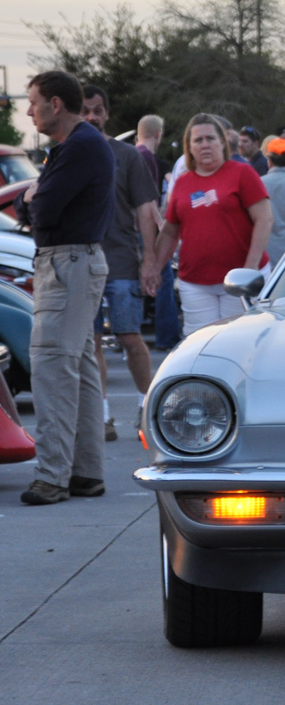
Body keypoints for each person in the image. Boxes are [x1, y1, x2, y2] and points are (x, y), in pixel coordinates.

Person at [12, 71, 113, 505]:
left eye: (33, 102)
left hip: (68, 263)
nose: (28, 110)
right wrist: (31, 197)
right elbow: (27, 203)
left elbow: (44, 209)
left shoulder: (79, 147)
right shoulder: (77, 146)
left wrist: (35, 197)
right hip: (76, 261)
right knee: (80, 367)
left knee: (52, 366)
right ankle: (85, 473)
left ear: (56, 103)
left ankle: (52, 477)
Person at [80, 85, 162, 441]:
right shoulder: (65, 154)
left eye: (97, 110)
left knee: (130, 337)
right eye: (84, 111)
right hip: (81, 264)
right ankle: (103, 417)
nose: (91, 117)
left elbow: (147, 211)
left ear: (107, 113)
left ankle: (149, 410)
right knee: (92, 341)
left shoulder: (127, 156)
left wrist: (150, 262)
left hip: (123, 263)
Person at [155, 113, 274, 336]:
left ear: (222, 142)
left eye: (210, 138)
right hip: (196, 283)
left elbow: (264, 219)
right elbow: (170, 231)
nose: (205, 145)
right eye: (198, 140)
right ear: (189, 147)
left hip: (239, 282)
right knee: (200, 345)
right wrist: (153, 268)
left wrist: (248, 269)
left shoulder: (242, 173)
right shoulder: (182, 183)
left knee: (238, 343)